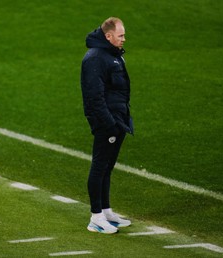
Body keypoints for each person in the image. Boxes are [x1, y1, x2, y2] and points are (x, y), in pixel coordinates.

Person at [80, 17, 133, 234]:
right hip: (107, 122)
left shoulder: (112, 56)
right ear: (108, 36)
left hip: (118, 119)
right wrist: (109, 124)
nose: (124, 39)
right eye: (120, 36)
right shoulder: (95, 58)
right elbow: (94, 97)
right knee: (100, 166)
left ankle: (106, 210)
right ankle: (96, 217)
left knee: (108, 167)